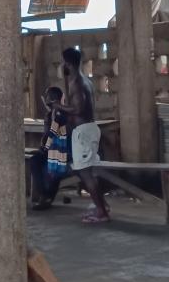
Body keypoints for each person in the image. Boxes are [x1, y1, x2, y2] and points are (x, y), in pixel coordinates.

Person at [59, 47, 110, 223]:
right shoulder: (82, 80)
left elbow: (78, 108)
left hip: (84, 133)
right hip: (87, 130)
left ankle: (101, 212)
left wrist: (58, 106)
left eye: (63, 62)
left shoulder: (78, 83)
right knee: (86, 172)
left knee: (85, 173)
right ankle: (102, 205)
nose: (61, 66)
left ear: (67, 63)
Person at [30, 87, 69, 210]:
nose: (46, 99)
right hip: (52, 150)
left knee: (51, 166)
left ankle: (46, 196)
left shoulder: (61, 115)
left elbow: (53, 134)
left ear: (53, 99)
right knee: (35, 161)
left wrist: (44, 147)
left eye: (48, 96)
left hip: (61, 151)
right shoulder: (50, 114)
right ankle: (45, 195)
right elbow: (47, 135)